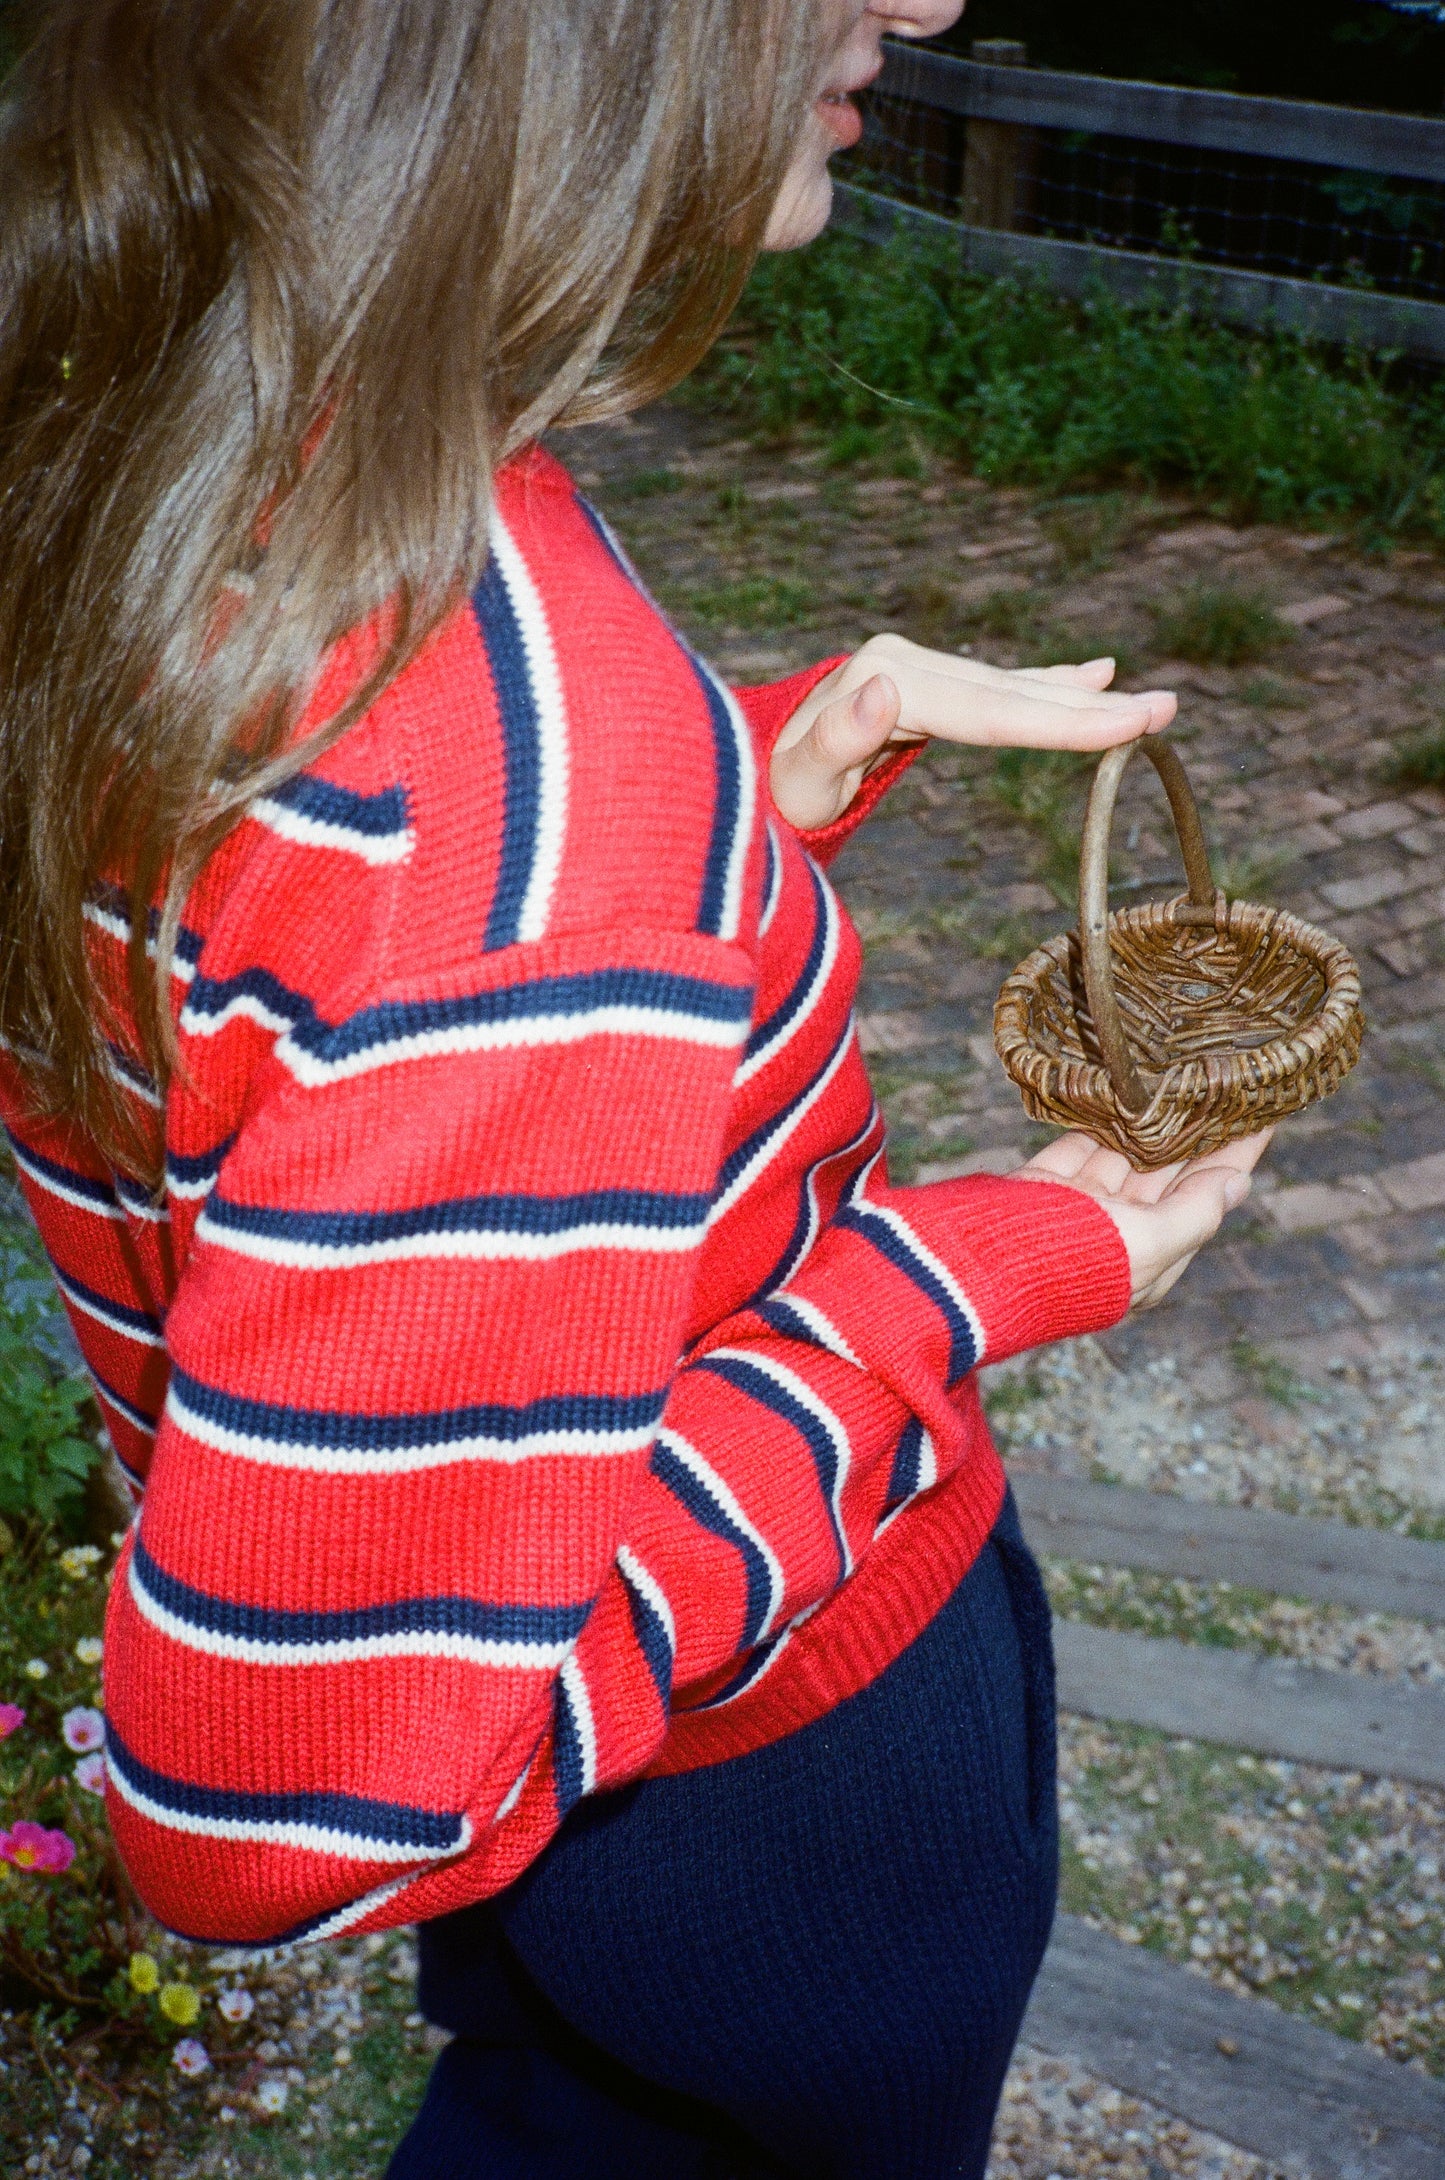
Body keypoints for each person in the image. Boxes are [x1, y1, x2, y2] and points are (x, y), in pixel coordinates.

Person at [0, 2, 1269, 2173]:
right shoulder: (526, 788)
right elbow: (264, 1822)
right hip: (768, 1784)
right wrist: (959, 1277)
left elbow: (293, 961)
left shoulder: (179, 467)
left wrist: (744, 783)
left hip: (578, 1759)